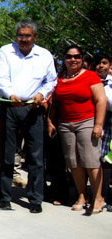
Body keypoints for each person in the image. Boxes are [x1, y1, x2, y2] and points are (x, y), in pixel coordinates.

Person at [0, 19, 57, 213]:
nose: (23, 39)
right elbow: (2, 78)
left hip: (34, 108)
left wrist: (42, 94)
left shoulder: (44, 55)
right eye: (20, 35)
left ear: (35, 36)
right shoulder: (6, 51)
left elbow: (51, 80)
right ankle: (4, 196)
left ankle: (35, 199)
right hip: (11, 106)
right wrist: (10, 94)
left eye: (27, 36)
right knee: (7, 153)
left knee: (36, 156)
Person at [48, 45, 107, 214]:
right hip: (65, 124)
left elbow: (101, 101)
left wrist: (98, 125)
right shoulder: (59, 78)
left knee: (91, 161)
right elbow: (54, 102)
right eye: (69, 56)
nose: (73, 59)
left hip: (87, 122)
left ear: (82, 59)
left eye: (77, 56)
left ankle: (98, 198)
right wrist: (50, 121)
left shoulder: (91, 76)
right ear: (63, 59)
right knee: (73, 163)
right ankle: (82, 196)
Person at [96, 53, 112, 210]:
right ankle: (98, 193)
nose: (101, 66)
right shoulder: (91, 81)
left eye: (104, 63)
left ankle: (106, 193)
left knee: (108, 160)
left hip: (110, 121)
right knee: (98, 158)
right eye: (98, 63)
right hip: (95, 120)